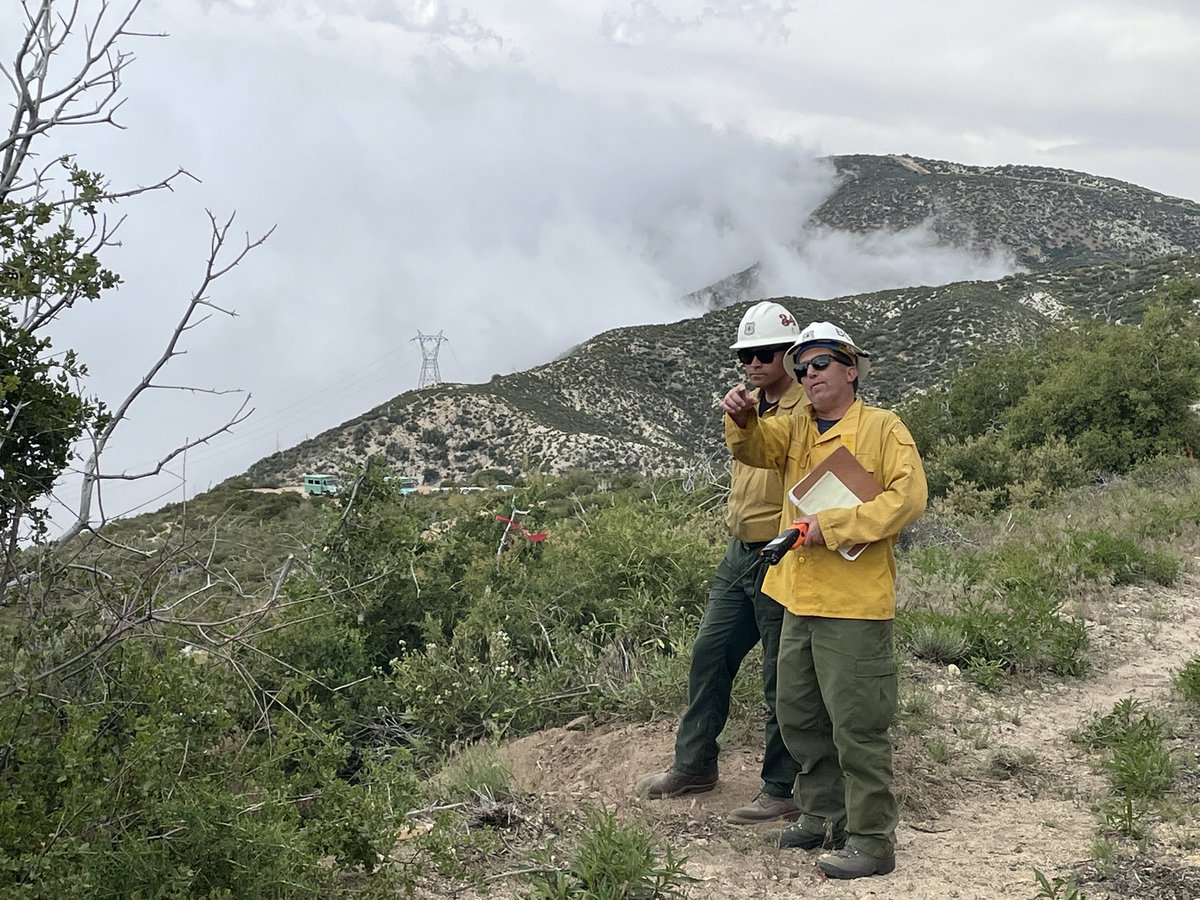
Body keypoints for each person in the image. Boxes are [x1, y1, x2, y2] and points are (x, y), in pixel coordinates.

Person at [721, 321, 927, 879]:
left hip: (854, 604)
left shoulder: (883, 429)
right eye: (803, 365)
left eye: (821, 363)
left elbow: (907, 500)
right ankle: (820, 818)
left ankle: (871, 841)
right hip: (798, 597)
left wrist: (832, 525)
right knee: (800, 716)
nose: (809, 374)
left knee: (858, 725)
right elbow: (756, 451)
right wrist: (740, 418)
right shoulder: (793, 427)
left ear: (850, 369)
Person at [636, 301, 806, 824]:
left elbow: (777, 460)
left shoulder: (806, 409)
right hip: (740, 552)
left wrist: (746, 421)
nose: (752, 363)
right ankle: (694, 765)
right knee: (709, 654)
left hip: (782, 552)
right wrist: (742, 417)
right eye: (744, 355)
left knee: (782, 674)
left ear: (789, 354)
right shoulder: (751, 406)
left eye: (763, 353)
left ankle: (782, 787)